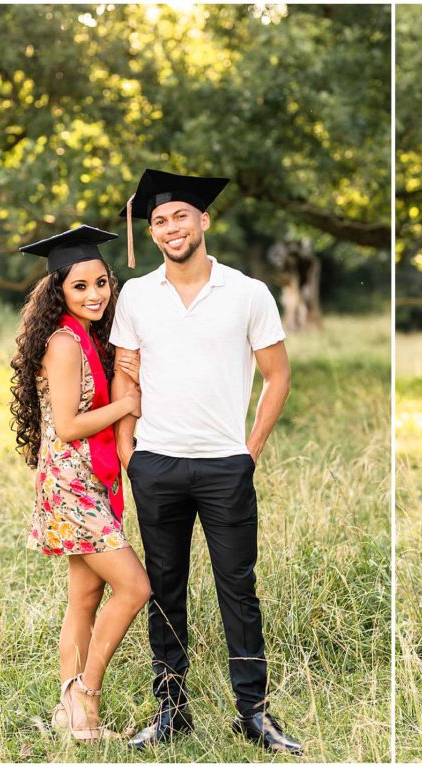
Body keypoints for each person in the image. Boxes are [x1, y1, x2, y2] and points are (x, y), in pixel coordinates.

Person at [109, 169, 302, 755]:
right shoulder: (138, 295)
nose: (171, 228)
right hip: (157, 464)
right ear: (153, 231)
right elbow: (125, 371)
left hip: (224, 465)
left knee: (237, 589)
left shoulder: (247, 292)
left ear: (204, 222)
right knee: (165, 587)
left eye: (181, 217)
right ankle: (171, 710)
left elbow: (277, 375)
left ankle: (254, 713)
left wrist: (251, 449)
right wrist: (127, 448)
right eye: (160, 221)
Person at [9, 225, 151, 743]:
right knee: (135, 586)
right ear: (59, 293)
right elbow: (68, 426)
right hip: (71, 484)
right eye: (80, 287)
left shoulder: (88, 336)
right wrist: (127, 404)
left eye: (101, 283)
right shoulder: (65, 344)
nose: (94, 295)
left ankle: (74, 716)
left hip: (88, 479)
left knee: (85, 596)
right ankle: (85, 693)